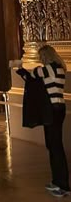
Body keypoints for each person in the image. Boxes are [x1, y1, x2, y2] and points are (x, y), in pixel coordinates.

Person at [16, 45, 70, 198]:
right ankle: (58, 181)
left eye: (41, 57)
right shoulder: (60, 68)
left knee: (54, 147)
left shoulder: (47, 69)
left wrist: (19, 68)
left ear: (45, 56)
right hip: (60, 108)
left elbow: (31, 76)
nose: (40, 59)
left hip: (51, 110)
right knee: (55, 145)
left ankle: (62, 184)